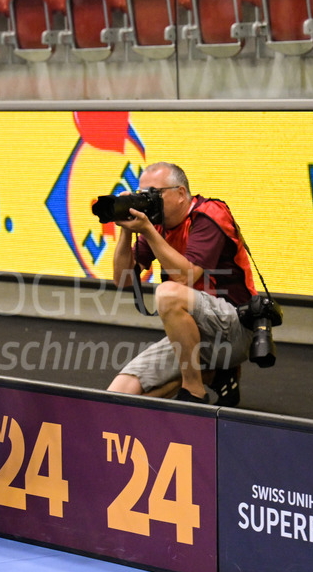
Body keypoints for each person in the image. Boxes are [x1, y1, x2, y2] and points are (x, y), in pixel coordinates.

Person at [107, 162, 257, 405]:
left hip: (235, 329)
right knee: (118, 394)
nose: (148, 201)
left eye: (154, 194)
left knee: (167, 293)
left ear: (180, 194)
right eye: (142, 194)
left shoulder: (210, 214)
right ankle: (212, 374)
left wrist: (147, 230)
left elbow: (187, 276)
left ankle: (194, 389)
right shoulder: (156, 227)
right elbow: (122, 279)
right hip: (191, 337)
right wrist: (125, 230)